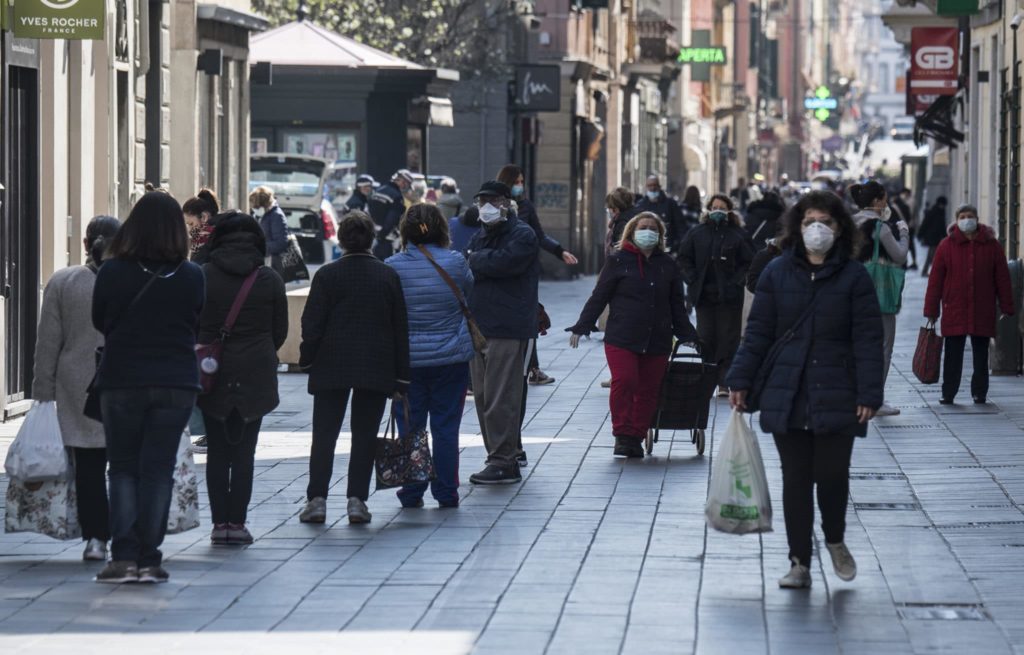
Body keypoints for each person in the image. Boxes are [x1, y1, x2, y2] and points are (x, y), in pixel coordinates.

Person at [726, 190, 884, 590]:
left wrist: (869, 393)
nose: (818, 229)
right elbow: (757, 332)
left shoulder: (854, 277)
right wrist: (739, 380)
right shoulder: (777, 272)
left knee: (832, 475)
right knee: (796, 479)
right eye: (810, 221)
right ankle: (799, 561)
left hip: (839, 389)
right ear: (798, 226)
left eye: (826, 222)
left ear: (840, 228)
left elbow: (868, 339)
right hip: (788, 389)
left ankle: (834, 539)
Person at [91, 192, 206, 584]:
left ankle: (123, 557)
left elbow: (100, 321)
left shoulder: (112, 272)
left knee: (123, 469)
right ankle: (149, 559)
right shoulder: (191, 275)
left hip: (122, 380)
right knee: (158, 471)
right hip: (175, 382)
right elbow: (195, 322)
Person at [298, 211, 410, 524]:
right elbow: (399, 328)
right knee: (364, 436)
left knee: (324, 435)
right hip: (375, 366)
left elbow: (312, 323)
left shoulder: (327, 275)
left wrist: (308, 358)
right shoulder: (387, 275)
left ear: (342, 240)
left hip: (331, 364)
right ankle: (356, 501)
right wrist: (402, 377)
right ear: (371, 240)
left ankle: (317, 499)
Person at [567, 212, 698, 458]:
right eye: (643, 227)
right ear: (632, 232)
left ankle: (635, 436)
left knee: (648, 390)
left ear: (659, 235)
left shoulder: (667, 264)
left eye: (653, 228)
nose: (648, 232)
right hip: (622, 336)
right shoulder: (618, 260)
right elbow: (600, 295)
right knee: (625, 381)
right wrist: (582, 325)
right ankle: (622, 434)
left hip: (657, 338)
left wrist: (688, 334)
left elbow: (676, 304)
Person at [32, 215, 120, 563]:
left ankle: (96, 538)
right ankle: (129, 533)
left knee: (88, 467)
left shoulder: (64, 282)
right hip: (125, 381)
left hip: (77, 386)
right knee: (127, 467)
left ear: (85, 244)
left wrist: (43, 392)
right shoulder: (137, 278)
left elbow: (48, 342)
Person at [197, 213, 288, 545]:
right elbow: (280, 332)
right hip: (256, 371)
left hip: (212, 372)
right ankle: (238, 523)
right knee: (244, 452)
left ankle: (219, 523)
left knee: (218, 451)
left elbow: (194, 325)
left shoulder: (203, 275)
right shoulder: (269, 279)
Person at [386, 204, 474, 508]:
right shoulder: (456, 262)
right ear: (442, 229)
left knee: (410, 427)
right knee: (446, 427)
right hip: (451, 359)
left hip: (407, 363)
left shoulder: (392, 266)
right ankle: (447, 491)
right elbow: (468, 294)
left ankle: (412, 490)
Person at [465, 181, 539, 485]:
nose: (486, 206)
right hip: (480, 326)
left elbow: (505, 264)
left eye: (493, 200)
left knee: (501, 396)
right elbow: (472, 264)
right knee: (482, 396)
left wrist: (476, 259)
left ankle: (504, 458)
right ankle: (496, 455)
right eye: (482, 201)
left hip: (508, 327)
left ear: (507, 203)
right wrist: (478, 260)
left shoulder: (522, 233)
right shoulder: (480, 234)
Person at [496, 164, 578, 388]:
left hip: (525, 272)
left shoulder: (525, 206)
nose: (520, 186)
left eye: (522, 182)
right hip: (502, 271)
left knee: (529, 318)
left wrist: (560, 251)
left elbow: (539, 236)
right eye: (516, 182)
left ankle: (532, 368)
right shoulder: (493, 206)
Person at [924, 204, 1014, 405]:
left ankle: (979, 392)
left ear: (977, 219)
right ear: (956, 220)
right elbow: (935, 280)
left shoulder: (992, 245)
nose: (967, 220)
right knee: (952, 355)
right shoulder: (946, 246)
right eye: (963, 216)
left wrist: (1007, 306)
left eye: (970, 216)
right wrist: (931, 310)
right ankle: (948, 393)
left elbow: (1002, 278)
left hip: (983, 307)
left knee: (981, 355)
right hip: (954, 307)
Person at [678, 194, 755, 396]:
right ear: (708, 209)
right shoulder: (697, 233)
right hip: (703, 296)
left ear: (729, 210)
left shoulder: (738, 235)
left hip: (729, 297)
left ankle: (724, 381)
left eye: (722, 207)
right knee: (705, 337)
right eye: (714, 207)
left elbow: (749, 262)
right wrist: (692, 279)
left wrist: (737, 282)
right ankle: (707, 376)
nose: (718, 210)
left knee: (728, 339)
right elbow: (684, 258)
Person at [850, 180, 909, 417]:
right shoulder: (880, 227)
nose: (886, 204)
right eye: (884, 199)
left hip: (851, 292)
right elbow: (900, 255)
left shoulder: (849, 224)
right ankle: (875, 399)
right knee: (883, 346)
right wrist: (903, 233)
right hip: (878, 293)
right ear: (876, 201)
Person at [369, 169, 414, 259]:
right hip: (386, 239)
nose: (406, 187)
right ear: (402, 181)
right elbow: (391, 220)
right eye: (407, 184)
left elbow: (368, 210)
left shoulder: (378, 190)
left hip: (371, 235)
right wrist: (381, 236)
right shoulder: (397, 196)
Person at [636, 175, 685, 253]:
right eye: (650, 185)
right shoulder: (640, 205)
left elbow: (680, 226)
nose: (652, 188)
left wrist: (677, 245)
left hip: (668, 248)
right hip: (645, 249)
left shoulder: (670, 204)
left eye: (655, 185)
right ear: (646, 187)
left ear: (659, 186)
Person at [249, 186, 289, 273]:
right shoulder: (261, 215)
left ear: (264, 205)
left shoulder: (276, 216)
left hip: (272, 264)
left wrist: (259, 247)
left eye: (256, 207)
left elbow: (280, 243)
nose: (254, 209)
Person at [182, 188, 220, 262]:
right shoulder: (219, 236)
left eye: (191, 224)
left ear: (204, 217)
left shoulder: (204, 243)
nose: (190, 230)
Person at [919, 196, 949, 276]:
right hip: (933, 237)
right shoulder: (935, 212)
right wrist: (920, 234)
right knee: (932, 256)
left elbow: (942, 226)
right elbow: (926, 223)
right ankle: (929, 272)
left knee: (932, 256)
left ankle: (930, 271)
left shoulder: (939, 211)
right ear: (940, 204)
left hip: (935, 237)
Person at [606, 187, 640, 257]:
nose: (609, 211)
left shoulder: (622, 223)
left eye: (610, 208)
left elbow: (619, 250)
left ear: (616, 208)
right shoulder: (638, 214)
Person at [892, 187, 917, 269]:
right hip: (908, 227)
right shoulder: (905, 204)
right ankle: (911, 261)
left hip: (902, 228)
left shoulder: (908, 202)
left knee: (904, 245)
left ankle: (906, 262)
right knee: (908, 244)